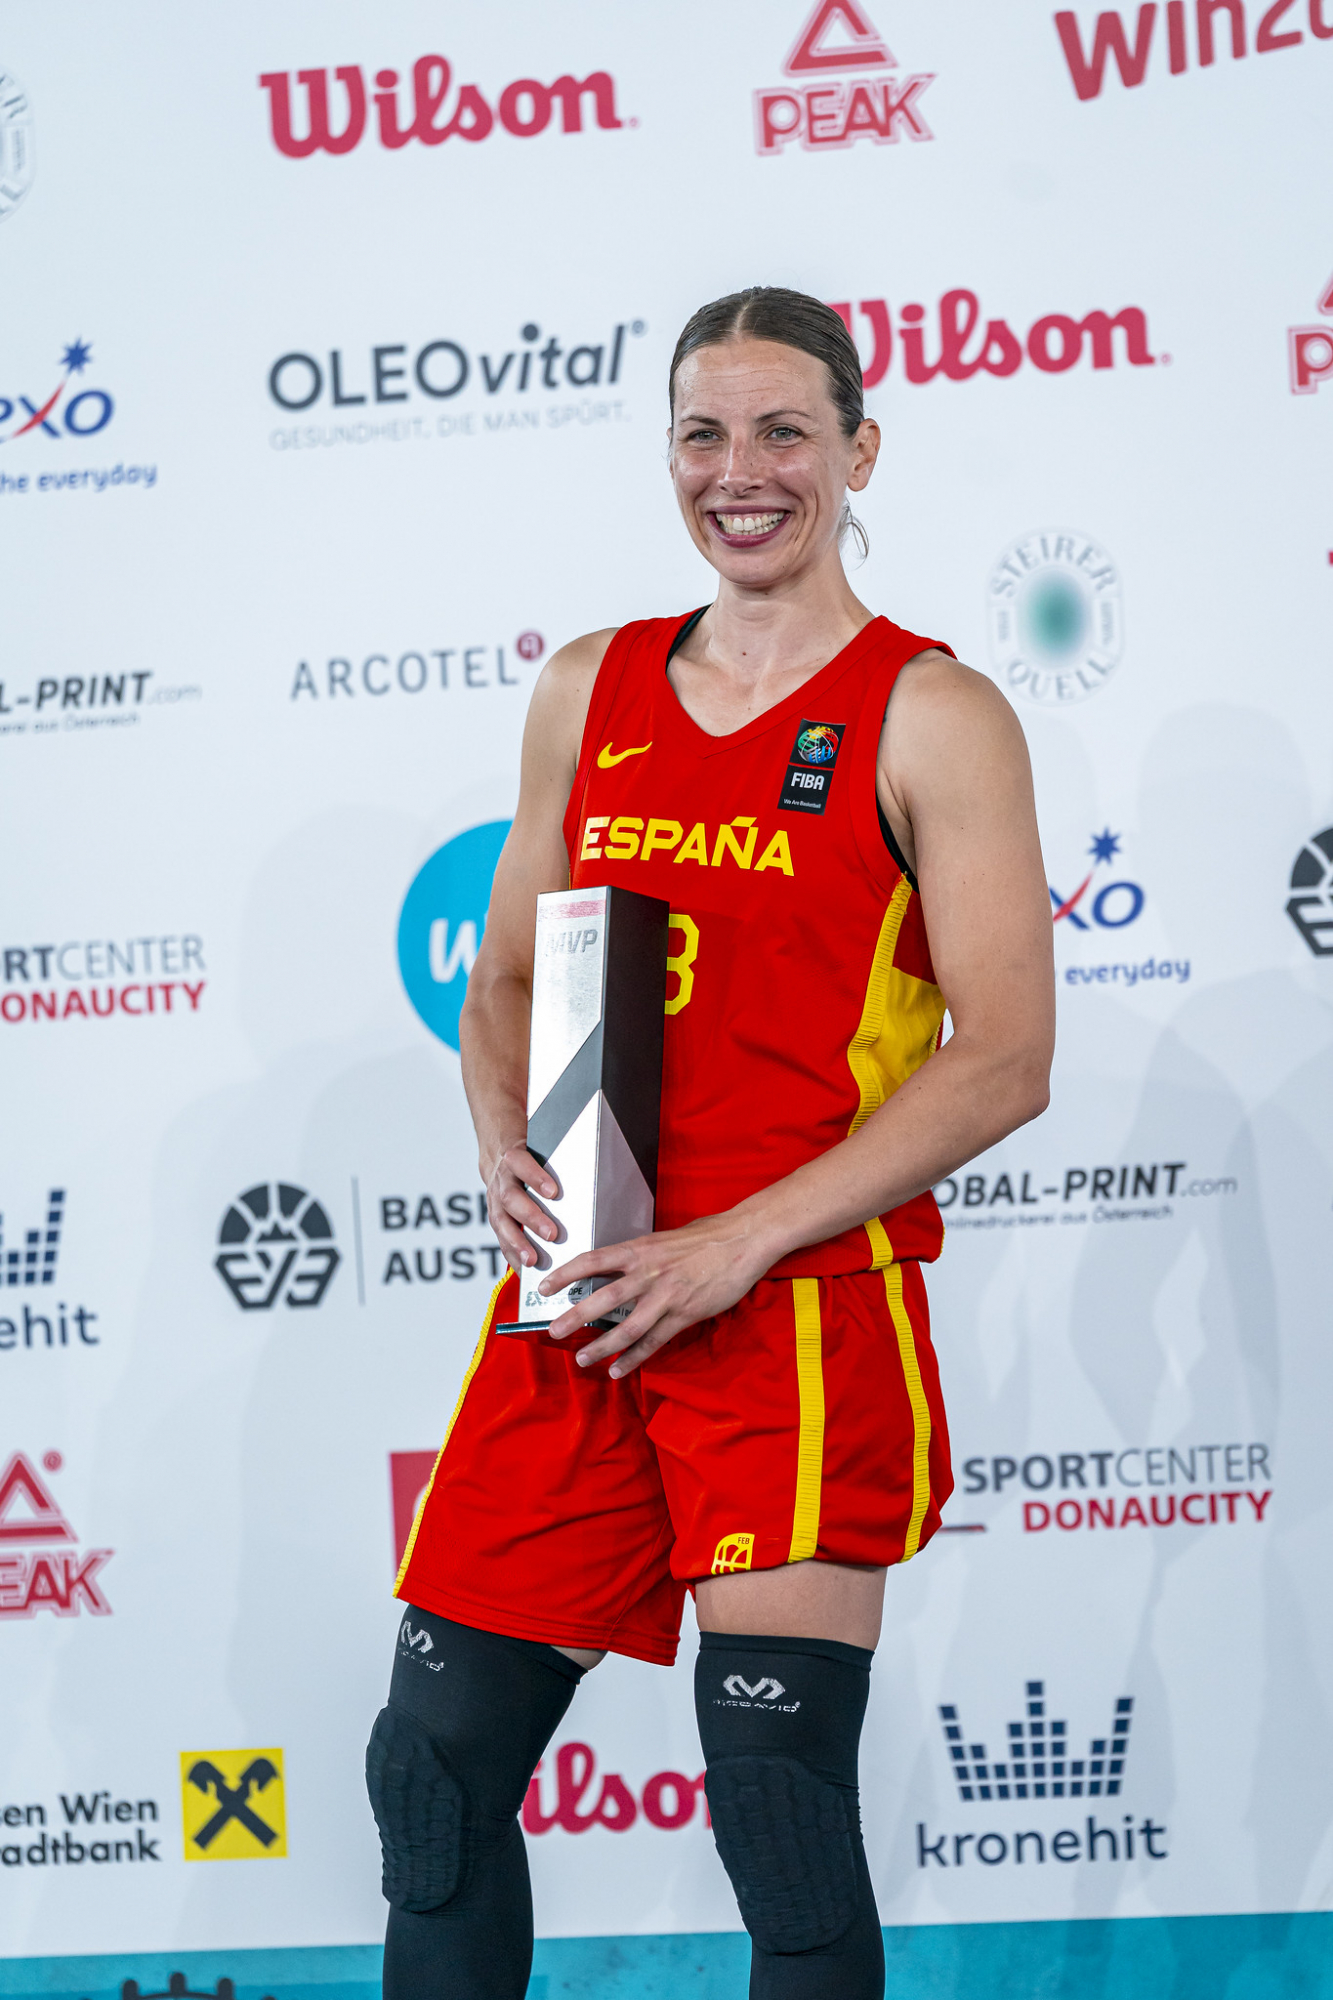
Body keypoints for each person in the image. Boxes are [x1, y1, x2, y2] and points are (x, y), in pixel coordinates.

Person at [366, 286, 1055, 2000]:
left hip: (794, 1312)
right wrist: (494, 1132)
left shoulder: (930, 713)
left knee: (776, 1815)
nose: (736, 472)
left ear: (856, 450)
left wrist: (734, 1243)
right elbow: (511, 973)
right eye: (699, 432)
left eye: (781, 433)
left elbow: (1009, 1060)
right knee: (431, 1779)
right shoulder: (588, 684)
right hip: (581, 1297)